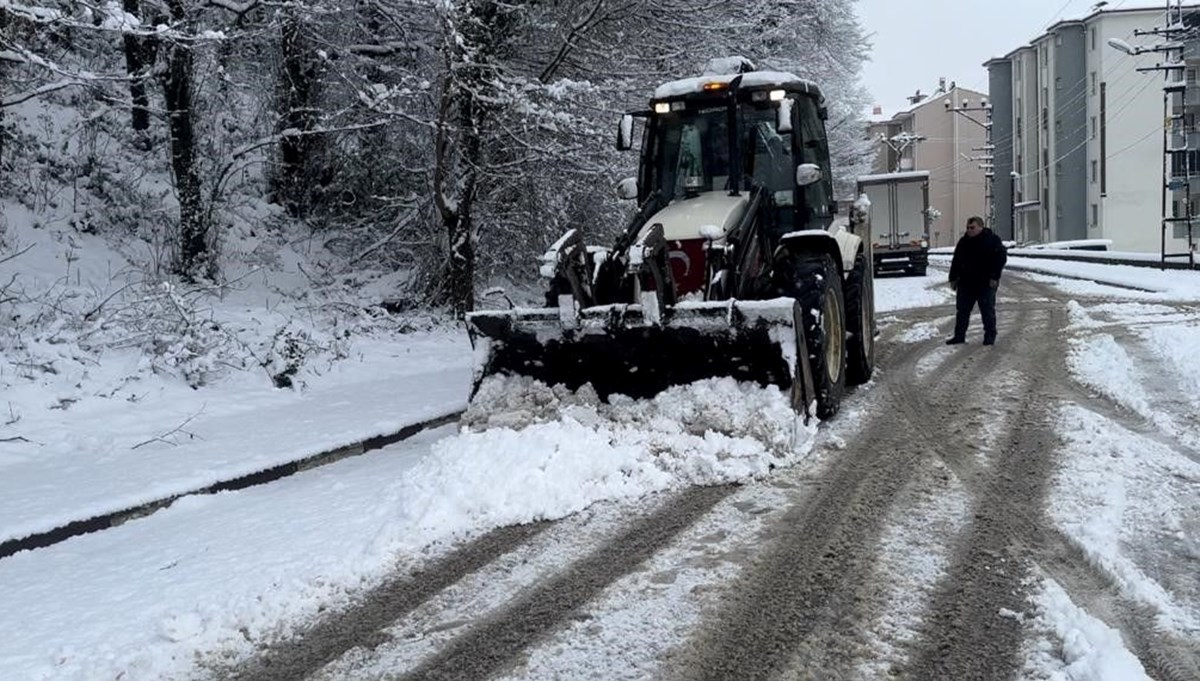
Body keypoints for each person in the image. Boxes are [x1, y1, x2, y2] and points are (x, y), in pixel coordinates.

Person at [946, 216, 1007, 346]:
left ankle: (990, 336)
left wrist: (995, 277)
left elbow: (1000, 259)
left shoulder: (992, 240)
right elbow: (956, 260)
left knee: (987, 310)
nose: (969, 230)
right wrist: (953, 278)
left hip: (985, 283)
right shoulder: (963, 242)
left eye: (972, 227)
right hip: (966, 283)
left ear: (980, 227)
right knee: (962, 311)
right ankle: (959, 336)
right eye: (967, 228)